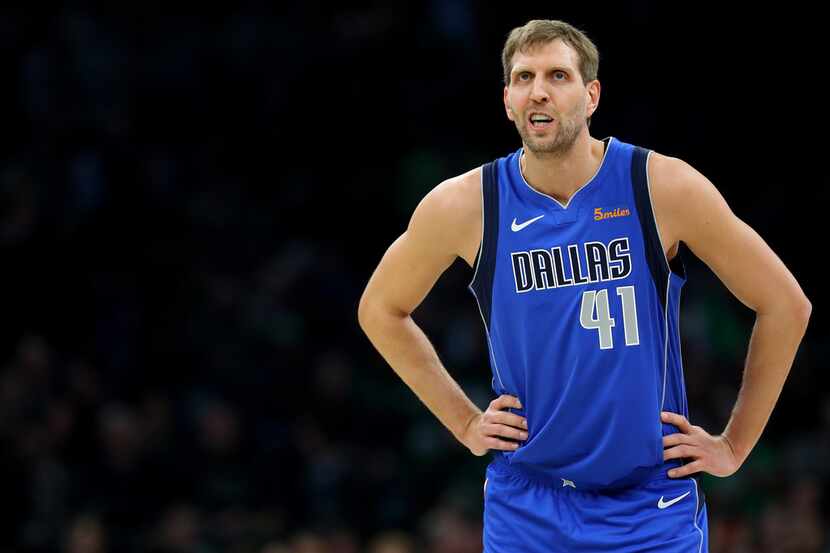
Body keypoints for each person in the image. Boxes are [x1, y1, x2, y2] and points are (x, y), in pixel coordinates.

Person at [357, 19, 811, 553]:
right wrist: (463, 421)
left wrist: (735, 444)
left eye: (557, 75)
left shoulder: (659, 185)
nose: (539, 90)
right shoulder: (467, 204)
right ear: (507, 100)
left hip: (649, 503)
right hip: (528, 504)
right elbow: (380, 309)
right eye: (523, 77)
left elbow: (785, 303)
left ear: (591, 95)